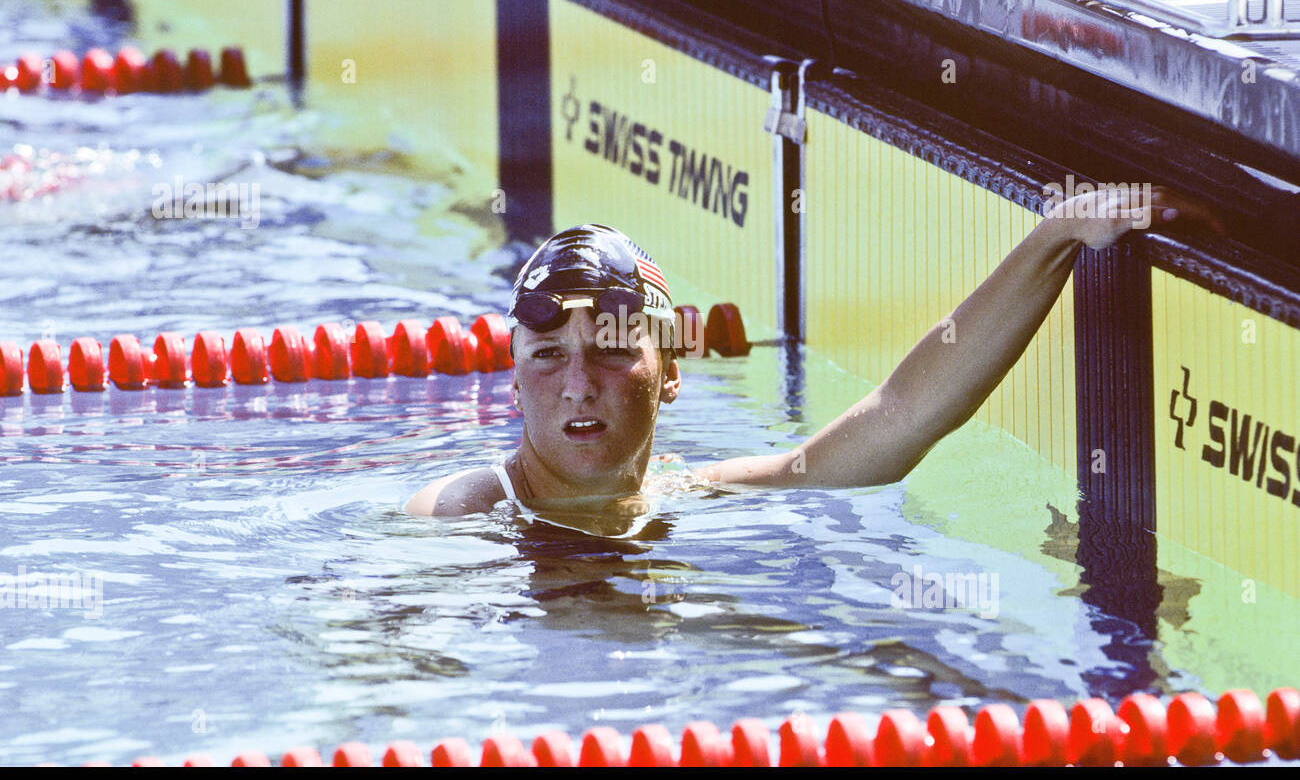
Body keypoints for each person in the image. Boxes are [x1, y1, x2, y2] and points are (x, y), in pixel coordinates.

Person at [405, 185, 1199, 519]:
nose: (578, 383)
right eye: (547, 356)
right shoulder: (461, 517)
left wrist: (1057, 233)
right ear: (513, 382)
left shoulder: (687, 499)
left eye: (613, 351)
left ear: (673, 372)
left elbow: (901, 417)